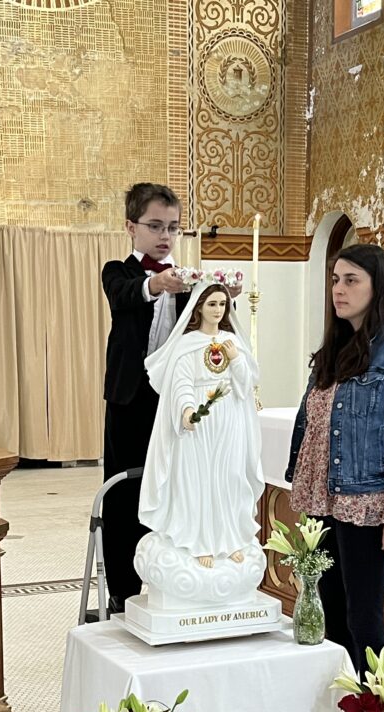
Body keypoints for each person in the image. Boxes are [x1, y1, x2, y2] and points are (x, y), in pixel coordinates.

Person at [284, 243, 384, 675]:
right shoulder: (335, 347)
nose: (339, 290)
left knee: (364, 620)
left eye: (351, 281)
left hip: (366, 502)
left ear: (377, 287)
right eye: (335, 280)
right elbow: (311, 423)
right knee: (327, 614)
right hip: (322, 501)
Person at [100, 182, 190, 612]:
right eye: (155, 225)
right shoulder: (117, 271)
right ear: (131, 227)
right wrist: (156, 284)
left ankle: (175, 583)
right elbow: (124, 296)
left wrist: (216, 297)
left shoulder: (187, 280)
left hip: (175, 403)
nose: (165, 235)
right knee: (125, 495)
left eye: (172, 227)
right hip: (128, 401)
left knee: (175, 490)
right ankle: (122, 590)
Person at [140, 280, 263, 567]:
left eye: (223, 304)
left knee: (228, 478)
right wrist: (185, 410)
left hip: (228, 419)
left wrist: (236, 360)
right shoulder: (187, 343)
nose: (218, 309)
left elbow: (246, 386)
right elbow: (181, 382)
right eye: (212, 304)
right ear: (199, 307)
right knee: (197, 481)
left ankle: (229, 538)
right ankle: (200, 541)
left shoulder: (234, 343)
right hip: (199, 420)